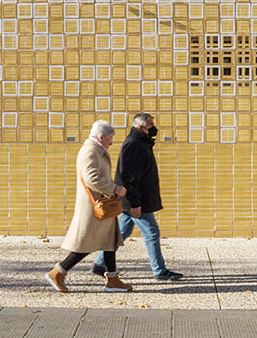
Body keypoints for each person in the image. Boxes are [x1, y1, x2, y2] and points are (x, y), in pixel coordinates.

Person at [45, 119, 133, 293]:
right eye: (110, 138)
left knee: (109, 241)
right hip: (94, 206)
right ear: (101, 136)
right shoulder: (91, 151)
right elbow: (91, 178)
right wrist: (114, 188)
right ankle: (57, 272)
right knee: (86, 244)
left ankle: (112, 279)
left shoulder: (96, 150)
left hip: (101, 203)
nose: (112, 142)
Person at [98, 112, 183, 281]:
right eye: (150, 125)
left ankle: (99, 264)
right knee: (152, 232)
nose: (154, 128)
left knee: (123, 231)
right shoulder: (134, 145)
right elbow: (129, 178)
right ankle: (159, 270)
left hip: (134, 199)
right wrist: (135, 203)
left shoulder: (141, 143)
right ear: (140, 127)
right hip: (135, 200)